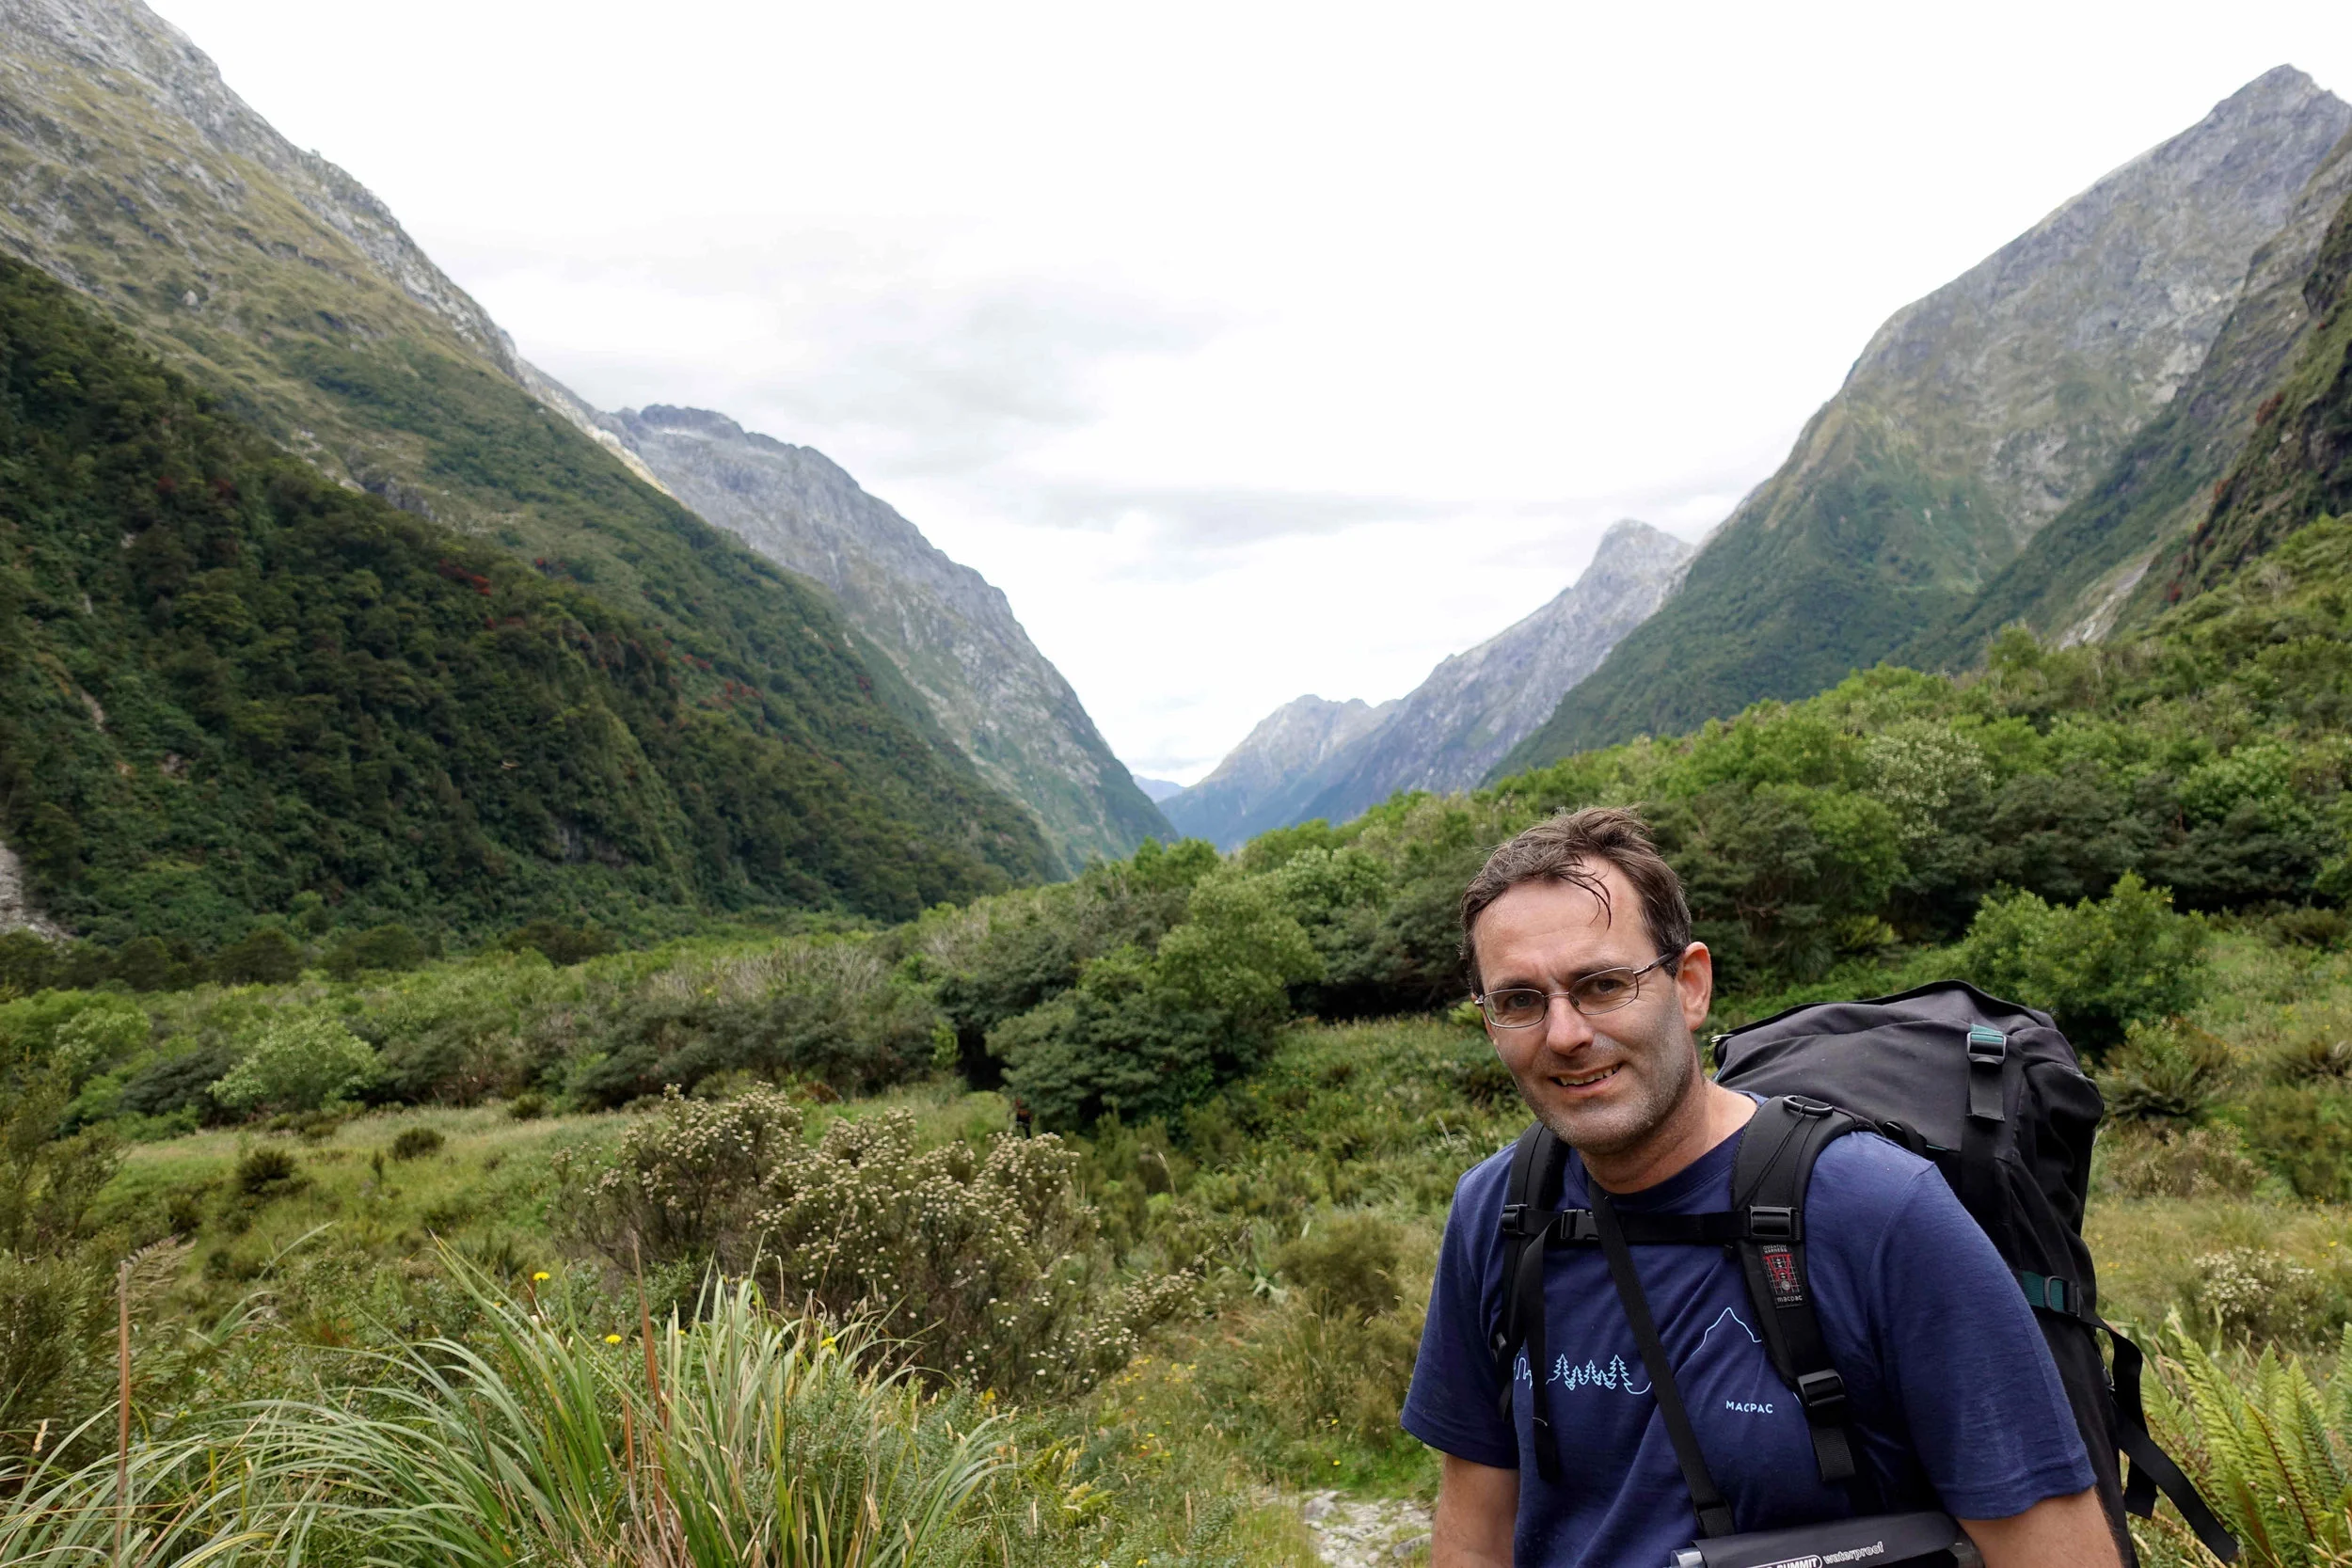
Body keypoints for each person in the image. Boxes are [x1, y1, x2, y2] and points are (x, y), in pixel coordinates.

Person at [1402, 807, 2123, 1568]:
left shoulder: (1878, 1211)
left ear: (1689, 984)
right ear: (1488, 1021)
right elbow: (1475, 1539)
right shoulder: (1498, 1212)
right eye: (1518, 1001)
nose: (1565, 1033)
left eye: (1603, 984)